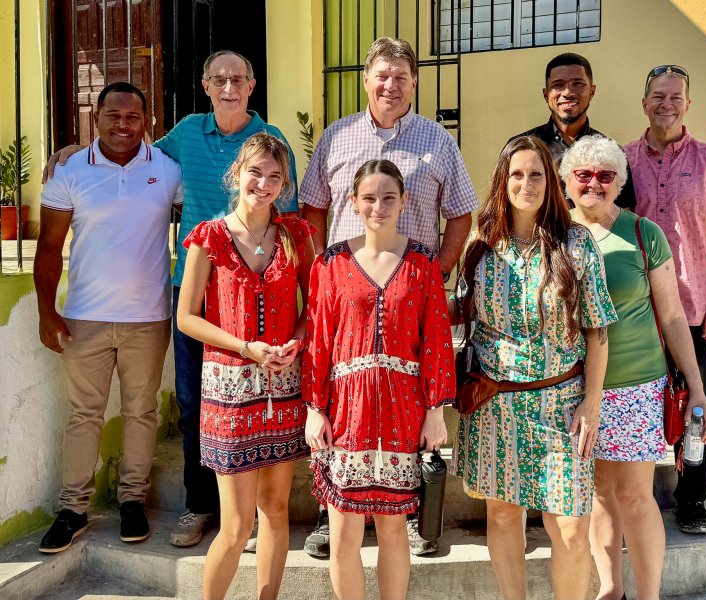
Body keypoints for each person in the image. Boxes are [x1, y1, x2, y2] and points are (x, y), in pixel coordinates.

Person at [46, 50, 300, 547]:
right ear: (205, 85)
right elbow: (130, 147)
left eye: (238, 79)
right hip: (195, 286)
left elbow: (286, 216)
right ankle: (200, 505)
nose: (229, 87)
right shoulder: (184, 134)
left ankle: (255, 515)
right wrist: (77, 148)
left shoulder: (270, 140)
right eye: (219, 79)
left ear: (252, 86)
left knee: (260, 400)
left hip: (252, 288)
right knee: (191, 404)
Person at [300, 36, 477, 557]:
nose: (391, 85)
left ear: (414, 83)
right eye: (382, 75)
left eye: (401, 76)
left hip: (410, 297)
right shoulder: (336, 137)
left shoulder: (437, 141)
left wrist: (436, 273)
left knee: (409, 408)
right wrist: (325, 275)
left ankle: (413, 513)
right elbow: (312, 210)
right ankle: (331, 516)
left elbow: (461, 213)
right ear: (365, 80)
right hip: (347, 296)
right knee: (343, 405)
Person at [451, 135, 617, 600]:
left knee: (570, 526)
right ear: (502, 181)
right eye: (517, 174)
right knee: (503, 515)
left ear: (551, 182)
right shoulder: (482, 244)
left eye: (537, 174)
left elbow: (597, 330)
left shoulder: (576, 243)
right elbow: (461, 311)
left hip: (561, 404)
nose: (527, 184)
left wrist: (591, 403)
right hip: (495, 406)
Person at [563, 134, 706, 600]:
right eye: (583, 175)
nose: (594, 183)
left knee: (634, 496)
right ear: (566, 180)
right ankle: (611, 590)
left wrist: (696, 386)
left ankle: (648, 595)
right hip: (571, 388)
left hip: (636, 387)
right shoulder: (554, 235)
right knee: (598, 494)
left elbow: (672, 316)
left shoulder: (643, 234)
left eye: (605, 175)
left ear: (619, 181)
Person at [34, 82, 182, 552]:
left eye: (133, 116)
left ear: (147, 121)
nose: (123, 124)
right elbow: (49, 247)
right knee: (84, 415)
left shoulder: (168, 169)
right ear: (95, 118)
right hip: (85, 317)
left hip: (148, 317)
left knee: (142, 411)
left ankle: (132, 501)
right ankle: (72, 509)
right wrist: (46, 311)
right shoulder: (69, 171)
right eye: (112, 115)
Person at [303, 159, 454, 600]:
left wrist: (435, 411)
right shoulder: (331, 262)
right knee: (344, 534)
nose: (379, 207)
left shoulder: (423, 262)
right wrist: (314, 408)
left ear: (404, 201)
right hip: (346, 411)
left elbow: (437, 340)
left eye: (389, 197)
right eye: (369, 198)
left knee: (393, 531)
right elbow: (319, 339)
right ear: (353, 202)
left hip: (403, 410)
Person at [176, 132, 313, 600]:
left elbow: (315, 305)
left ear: (284, 184)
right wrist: (244, 346)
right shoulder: (209, 238)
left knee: (275, 509)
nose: (264, 183)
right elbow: (187, 318)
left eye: (275, 176)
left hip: (283, 387)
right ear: (237, 174)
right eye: (256, 172)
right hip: (228, 391)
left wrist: (296, 341)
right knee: (236, 525)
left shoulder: (296, 235)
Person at [625, 65, 706, 535]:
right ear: (644, 103)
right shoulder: (622, 160)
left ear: (687, 105)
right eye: (658, 96)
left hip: (694, 307)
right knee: (634, 403)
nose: (667, 104)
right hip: (636, 310)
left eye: (676, 97)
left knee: (694, 406)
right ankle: (629, 498)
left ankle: (693, 498)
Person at [510, 52, 636, 210]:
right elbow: (502, 206)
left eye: (578, 84)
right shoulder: (521, 148)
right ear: (546, 94)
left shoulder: (612, 152)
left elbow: (623, 213)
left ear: (592, 91)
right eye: (558, 84)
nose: (568, 92)